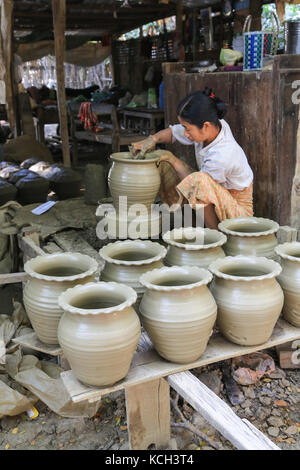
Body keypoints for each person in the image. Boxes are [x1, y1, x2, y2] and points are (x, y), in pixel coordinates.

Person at [131, 87, 253, 230]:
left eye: (187, 128)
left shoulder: (222, 155)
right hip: (215, 198)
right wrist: (153, 139)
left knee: (197, 181)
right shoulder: (214, 126)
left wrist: (173, 159)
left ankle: (215, 236)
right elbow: (173, 132)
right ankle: (192, 223)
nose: (185, 133)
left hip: (237, 213)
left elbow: (198, 187)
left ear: (205, 126)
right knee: (164, 163)